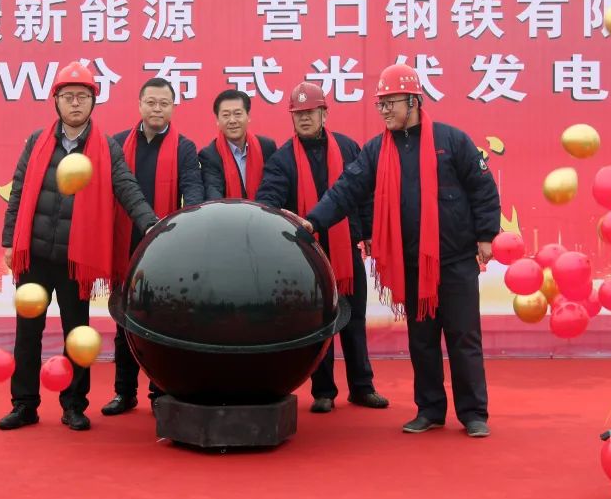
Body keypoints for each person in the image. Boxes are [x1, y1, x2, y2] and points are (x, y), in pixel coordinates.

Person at [301, 63, 501, 437]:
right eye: (381, 104)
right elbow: (346, 189)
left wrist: (486, 235)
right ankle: (430, 409)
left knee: (464, 339)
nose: (385, 110)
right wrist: (314, 221)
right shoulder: (377, 150)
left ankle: (474, 413)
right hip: (411, 263)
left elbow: (482, 188)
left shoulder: (451, 141)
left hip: (455, 260)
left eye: (390, 102)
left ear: (413, 101)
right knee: (422, 341)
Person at [0, 62, 158, 432]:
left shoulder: (106, 148)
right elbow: (18, 191)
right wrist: (9, 241)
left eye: (82, 96)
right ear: (55, 101)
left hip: (75, 260)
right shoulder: (37, 142)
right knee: (27, 334)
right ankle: (24, 404)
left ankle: (73, 405)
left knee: (78, 336)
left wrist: (151, 223)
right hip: (35, 256)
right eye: (68, 96)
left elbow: (127, 188)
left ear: (92, 102)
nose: (75, 103)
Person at [255, 81, 389, 414]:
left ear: (324, 113)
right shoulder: (282, 159)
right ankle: (324, 391)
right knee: (318, 323)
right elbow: (268, 199)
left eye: (310, 112)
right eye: (298, 113)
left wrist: (368, 231)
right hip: (307, 254)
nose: (304, 118)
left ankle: (362, 387)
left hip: (346, 251)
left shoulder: (348, 148)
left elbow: (365, 194)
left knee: (355, 320)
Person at [103, 77, 205, 416]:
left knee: (162, 324)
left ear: (173, 108)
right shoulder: (118, 143)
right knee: (124, 323)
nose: (157, 109)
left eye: (164, 103)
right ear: (140, 104)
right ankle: (124, 392)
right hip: (126, 245)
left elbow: (193, 189)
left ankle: (159, 392)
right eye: (151, 102)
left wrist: (191, 218)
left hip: (166, 248)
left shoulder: (184, 148)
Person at [198, 90, 277, 200]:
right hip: (226, 211)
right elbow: (213, 191)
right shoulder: (209, 155)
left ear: (248, 116)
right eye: (226, 115)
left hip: (262, 209)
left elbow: (273, 187)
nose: (232, 120)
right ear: (217, 120)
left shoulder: (267, 147)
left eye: (238, 114)